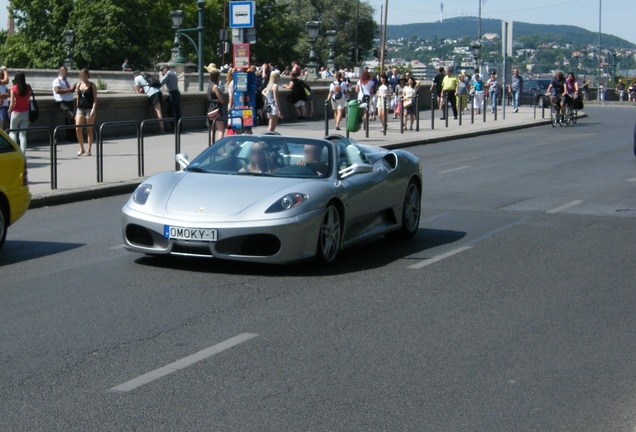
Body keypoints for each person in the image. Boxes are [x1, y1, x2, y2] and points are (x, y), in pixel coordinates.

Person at [75, 68, 97, 156]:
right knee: (77, 129)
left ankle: (89, 149)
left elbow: (95, 98)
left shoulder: (92, 85)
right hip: (80, 109)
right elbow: (78, 98)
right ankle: (81, 148)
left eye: (84, 75)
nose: (83, 77)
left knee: (89, 130)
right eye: (81, 76)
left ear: (87, 75)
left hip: (89, 108)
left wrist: (93, 109)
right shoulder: (79, 85)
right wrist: (76, 109)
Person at [53, 66, 77, 142]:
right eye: (62, 71)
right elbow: (57, 91)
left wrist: (72, 89)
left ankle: (71, 138)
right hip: (62, 102)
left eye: (65, 71)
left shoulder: (66, 80)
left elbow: (69, 90)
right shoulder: (57, 81)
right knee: (72, 117)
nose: (63, 72)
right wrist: (70, 90)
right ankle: (70, 137)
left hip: (69, 101)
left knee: (69, 120)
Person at [8, 72, 31, 153]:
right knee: (23, 134)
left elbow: (12, 103)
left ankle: (14, 151)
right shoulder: (28, 87)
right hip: (26, 112)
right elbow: (28, 98)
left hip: (16, 112)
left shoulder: (13, 88)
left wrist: (9, 111)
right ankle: (23, 153)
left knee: (13, 132)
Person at [207, 68, 226, 141]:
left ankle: (211, 145)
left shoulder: (209, 85)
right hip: (217, 109)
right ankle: (219, 146)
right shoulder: (215, 87)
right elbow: (221, 100)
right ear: (217, 77)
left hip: (211, 108)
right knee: (221, 129)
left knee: (213, 129)